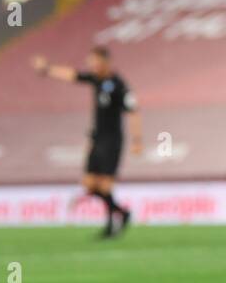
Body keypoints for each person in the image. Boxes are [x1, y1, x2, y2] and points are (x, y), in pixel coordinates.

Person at [32, 47, 143, 238]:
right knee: (90, 184)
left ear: (105, 62)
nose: (91, 65)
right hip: (96, 138)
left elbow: (133, 111)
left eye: (94, 61)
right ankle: (122, 213)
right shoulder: (96, 79)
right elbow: (73, 75)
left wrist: (137, 140)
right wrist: (48, 69)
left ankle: (111, 226)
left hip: (112, 140)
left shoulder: (119, 84)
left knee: (105, 186)